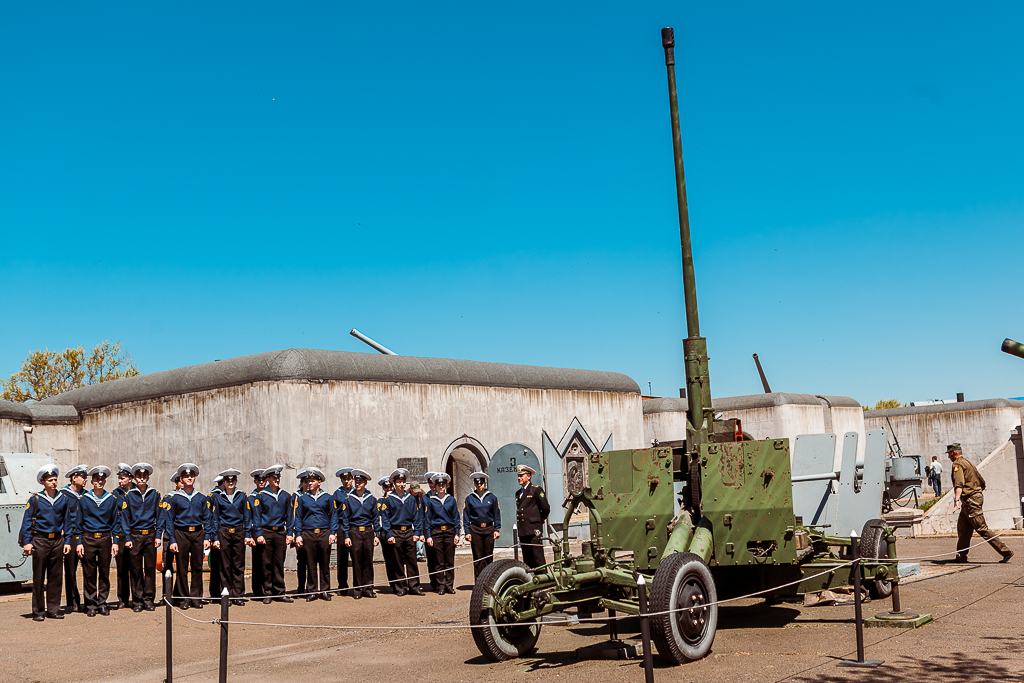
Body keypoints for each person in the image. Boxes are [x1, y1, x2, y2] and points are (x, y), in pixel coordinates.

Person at [20, 464, 77, 621]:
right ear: (43, 482)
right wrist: (27, 542)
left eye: (55, 479)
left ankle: (53, 609)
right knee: (38, 577)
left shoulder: (63, 499)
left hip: (57, 540)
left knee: (56, 576)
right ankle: (38, 611)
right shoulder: (35, 499)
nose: (53, 482)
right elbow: (26, 522)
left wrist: (67, 541)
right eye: (50, 480)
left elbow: (68, 521)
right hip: (40, 540)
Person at [948, 443, 1013, 563]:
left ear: (954, 453)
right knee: (964, 529)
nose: (948, 457)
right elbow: (981, 480)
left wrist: (956, 501)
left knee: (982, 528)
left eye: (949, 454)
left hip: (970, 501)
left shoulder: (957, 464)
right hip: (972, 499)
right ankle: (961, 556)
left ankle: (1006, 551)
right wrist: (977, 493)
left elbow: (959, 484)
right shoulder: (968, 463)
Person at [165, 464, 212, 609]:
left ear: (194, 478)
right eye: (186, 476)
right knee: (182, 567)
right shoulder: (174, 498)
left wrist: (207, 537)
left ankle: (196, 598)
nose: (189, 478)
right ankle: (183, 599)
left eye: (191, 476)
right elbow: (169, 521)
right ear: (181, 479)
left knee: (197, 566)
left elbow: (208, 518)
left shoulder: (202, 498)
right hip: (181, 533)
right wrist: (172, 540)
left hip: (198, 533)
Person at [77, 466, 119, 617]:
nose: (99, 482)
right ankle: (90, 604)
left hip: (105, 539)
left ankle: (102, 602)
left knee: (104, 572)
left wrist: (115, 542)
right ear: (92, 482)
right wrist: (79, 542)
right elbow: (78, 522)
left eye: (102, 480)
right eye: (96, 480)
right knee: (89, 573)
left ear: (105, 481)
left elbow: (116, 522)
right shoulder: (84, 500)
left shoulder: (111, 500)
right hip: (88, 538)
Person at [120, 463, 162, 612]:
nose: (142, 478)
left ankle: (149, 599)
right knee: (136, 569)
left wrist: (158, 535)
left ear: (148, 477)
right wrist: (128, 538)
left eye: (144, 476)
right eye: (139, 476)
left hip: (150, 535)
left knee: (150, 568)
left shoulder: (155, 494)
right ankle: (137, 600)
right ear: (134, 478)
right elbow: (124, 518)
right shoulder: (129, 496)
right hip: (135, 535)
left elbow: (160, 516)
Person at [292, 467, 336, 601]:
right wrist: (298, 534)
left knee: (324, 563)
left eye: (312, 481)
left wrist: (332, 533)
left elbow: (333, 516)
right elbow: (298, 517)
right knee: (310, 563)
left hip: (324, 533)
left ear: (319, 482)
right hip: (308, 534)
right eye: (308, 481)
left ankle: (325, 590)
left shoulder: (328, 498)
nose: (309, 483)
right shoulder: (302, 499)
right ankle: (311, 590)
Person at [210, 469, 253, 605]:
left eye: (233, 480)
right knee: (225, 565)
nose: (230, 482)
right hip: (224, 532)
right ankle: (226, 594)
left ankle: (238, 595)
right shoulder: (218, 497)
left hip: (239, 531)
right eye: (228, 480)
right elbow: (215, 518)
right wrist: (215, 538)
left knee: (238, 565)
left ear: (236, 481)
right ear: (224, 482)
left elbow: (247, 516)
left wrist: (247, 534)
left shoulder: (242, 496)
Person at [380, 468, 425, 596]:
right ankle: (401, 588)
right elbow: (386, 519)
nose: (402, 484)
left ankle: (414, 587)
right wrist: (388, 534)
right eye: (399, 482)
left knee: (412, 561)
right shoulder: (389, 499)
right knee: (398, 562)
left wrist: (417, 533)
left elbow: (416, 517)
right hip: (396, 532)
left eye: (403, 482)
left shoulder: (410, 498)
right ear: (394, 483)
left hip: (409, 532)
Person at [252, 465, 294, 603]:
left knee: (279, 563)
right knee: (266, 563)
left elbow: (290, 516)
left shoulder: (286, 496)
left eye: (278, 477)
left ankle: (280, 592)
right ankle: (268, 592)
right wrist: (258, 533)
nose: (276, 479)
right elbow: (257, 517)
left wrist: (290, 533)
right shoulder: (261, 496)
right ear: (268, 479)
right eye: (274, 477)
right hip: (266, 532)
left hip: (280, 532)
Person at [339, 469, 380, 599]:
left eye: (360, 482)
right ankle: (357, 589)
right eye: (356, 482)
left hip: (368, 531)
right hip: (354, 531)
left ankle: (368, 588)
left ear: (365, 483)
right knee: (356, 561)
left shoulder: (371, 499)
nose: (357, 484)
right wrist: (346, 536)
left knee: (368, 560)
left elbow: (376, 518)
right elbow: (345, 519)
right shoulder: (349, 499)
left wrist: (377, 534)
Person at [424, 473, 461, 595]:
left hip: (449, 532)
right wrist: (428, 536)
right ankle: (441, 585)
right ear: (435, 485)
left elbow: (456, 517)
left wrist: (457, 533)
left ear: (446, 485)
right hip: (436, 532)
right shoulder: (431, 501)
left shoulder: (451, 500)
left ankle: (449, 585)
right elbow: (427, 519)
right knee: (439, 562)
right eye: (439, 485)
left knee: (449, 561)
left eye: (443, 484)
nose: (441, 487)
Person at [462, 471, 501, 579]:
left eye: (481, 483)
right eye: (477, 483)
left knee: (488, 556)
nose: (479, 485)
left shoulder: (492, 497)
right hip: (475, 529)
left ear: (485, 483)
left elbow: (496, 514)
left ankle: (489, 580)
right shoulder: (470, 498)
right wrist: (467, 532)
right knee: (478, 558)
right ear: (474, 484)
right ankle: (479, 581)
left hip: (489, 528)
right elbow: (466, 516)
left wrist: (497, 529)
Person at [61, 464, 88, 613]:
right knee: (70, 569)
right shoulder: (63, 495)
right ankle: (73, 601)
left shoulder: (87, 494)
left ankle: (89, 600)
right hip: (70, 535)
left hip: (85, 534)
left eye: (85, 477)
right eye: (82, 477)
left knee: (88, 569)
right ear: (74, 478)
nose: (85, 480)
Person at [514, 464, 550, 569]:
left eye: (521, 475)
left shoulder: (536, 490)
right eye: (518, 475)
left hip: (533, 529)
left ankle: (544, 580)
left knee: (538, 557)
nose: (519, 478)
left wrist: (542, 518)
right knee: (527, 558)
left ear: (529, 476)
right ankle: (532, 579)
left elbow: (546, 507)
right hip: (523, 529)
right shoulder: (518, 493)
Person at [111, 463, 135, 610]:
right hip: (120, 534)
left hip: (136, 533)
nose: (120, 481)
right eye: (119, 478)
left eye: (123, 478)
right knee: (122, 568)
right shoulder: (115, 494)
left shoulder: (138, 492)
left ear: (130, 478)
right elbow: (113, 517)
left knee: (136, 567)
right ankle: (123, 598)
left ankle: (138, 597)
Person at [333, 467, 354, 595]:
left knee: (357, 557)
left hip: (354, 526)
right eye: (344, 479)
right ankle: (342, 585)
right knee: (342, 558)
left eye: (349, 479)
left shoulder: (357, 492)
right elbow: (334, 513)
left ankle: (360, 585)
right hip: (341, 527)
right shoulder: (337, 494)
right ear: (341, 480)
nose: (347, 481)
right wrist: (334, 530)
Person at [376, 476, 400, 589]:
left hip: (396, 531)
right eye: (386, 486)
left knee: (399, 559)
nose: (389, 488)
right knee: (389, 559)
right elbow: (378, 518)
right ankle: (393, 583)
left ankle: (401, 583)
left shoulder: (398, 498)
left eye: (390, 485)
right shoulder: (380, 502)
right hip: (385, 532)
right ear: (383, 488)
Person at [249, 468, 267, 597]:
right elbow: (248, 517)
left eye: (263, 479)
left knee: (268, 561)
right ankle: (257, 590)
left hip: (267, 530)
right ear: (255, 481)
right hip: (255, 531)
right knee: (257, 561)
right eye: (259, 480)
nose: (261, 482)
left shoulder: (269, 495)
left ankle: (268, 588)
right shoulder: (250, 498)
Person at [292, 470, 310, 595]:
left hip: (312, 532)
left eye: (308, 481)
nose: (307, 484)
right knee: (302, 560)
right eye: (304, 482)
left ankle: (311, 587)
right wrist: (294, 533)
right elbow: (292, 515)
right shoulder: (296, 496)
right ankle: (300, 586)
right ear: (301, 483)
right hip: (300, 531)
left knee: (312, 561)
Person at [208, 475, 225, 601]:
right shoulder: (213, 496)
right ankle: (215, 592)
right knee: (216, 564)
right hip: (217, 534)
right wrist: (212, 537)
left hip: (226, 534)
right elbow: (210, 518)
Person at [422, 472, 439, 590]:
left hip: (439, 531)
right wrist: (423, 533)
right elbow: (421, 516)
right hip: (429, 531)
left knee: (440, 559)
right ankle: (433, 582)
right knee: (431, 559)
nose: (431, 485)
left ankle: (441, 582)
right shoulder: (425, 498)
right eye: (429, 482)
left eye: (433, 482)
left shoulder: (442, 496)